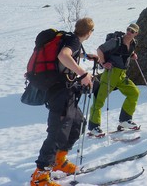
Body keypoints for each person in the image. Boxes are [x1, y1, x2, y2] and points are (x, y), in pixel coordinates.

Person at [31, 17, 96, 186]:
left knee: (78, 124)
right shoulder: (73, 41)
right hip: (60, 92)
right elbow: (63, 55)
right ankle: (40, 176)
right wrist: (82, 73)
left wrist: (85, 56)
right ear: (89, 32)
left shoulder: (70, 39)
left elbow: (67, 52)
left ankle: (59, 160)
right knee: (58, 131)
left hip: (67, 92)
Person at [88, 23, 141, 136]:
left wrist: (132, 55)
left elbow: (126, 53)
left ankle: (125, 121)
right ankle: (94, 127)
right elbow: (100, 50)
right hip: (111, 74)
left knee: (134, 93)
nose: (129, 32)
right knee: (99, 100)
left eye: (132, 31)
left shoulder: (133, 43)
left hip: (122, 74)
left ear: (136, 34)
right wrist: (103, 63)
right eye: (128, 29)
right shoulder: (116, 41)